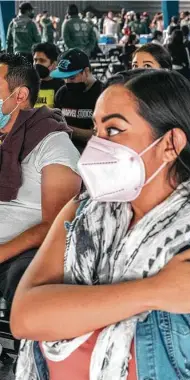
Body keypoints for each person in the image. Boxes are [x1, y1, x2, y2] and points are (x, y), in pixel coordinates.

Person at [11, 69, 190, 380]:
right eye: (97, 130)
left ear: (171, 143)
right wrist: (154, 291)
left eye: (114, 130)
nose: (97, 145)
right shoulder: (81, 213)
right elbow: (25, 317)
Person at [0, 53, 81, 314]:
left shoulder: (53, 145)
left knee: (25, 280)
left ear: (20, 96)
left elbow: (57, 226)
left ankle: (31, 350)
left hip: (22, 250)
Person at [52, 49, 103, 152]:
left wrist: (66, 129)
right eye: (64, 78)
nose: (67, 82)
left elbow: (100, 135)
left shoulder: (102, 94)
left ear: (86, 71)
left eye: (72, 78)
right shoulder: (62, 93)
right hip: (64, 152)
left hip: (93, 153)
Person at [32, 43, 64, 108]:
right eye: (35, 60)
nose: (37, 64)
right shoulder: (28, 85)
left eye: (42, 60)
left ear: (54, 64)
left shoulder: (61, 88)